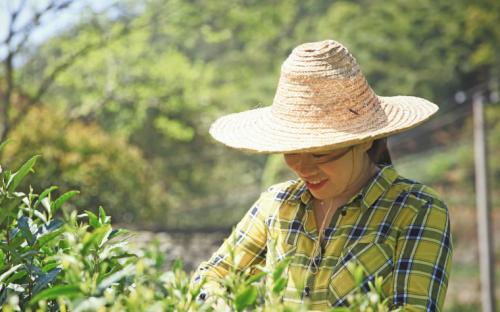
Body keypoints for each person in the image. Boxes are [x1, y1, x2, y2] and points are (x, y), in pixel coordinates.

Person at [191, 39, 452, 311]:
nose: (303, 168)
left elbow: (414, 308)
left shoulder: (415, 209)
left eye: (320, 154)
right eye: (293, 152)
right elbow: (212, 275)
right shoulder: (278, 204)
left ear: (364, 140)